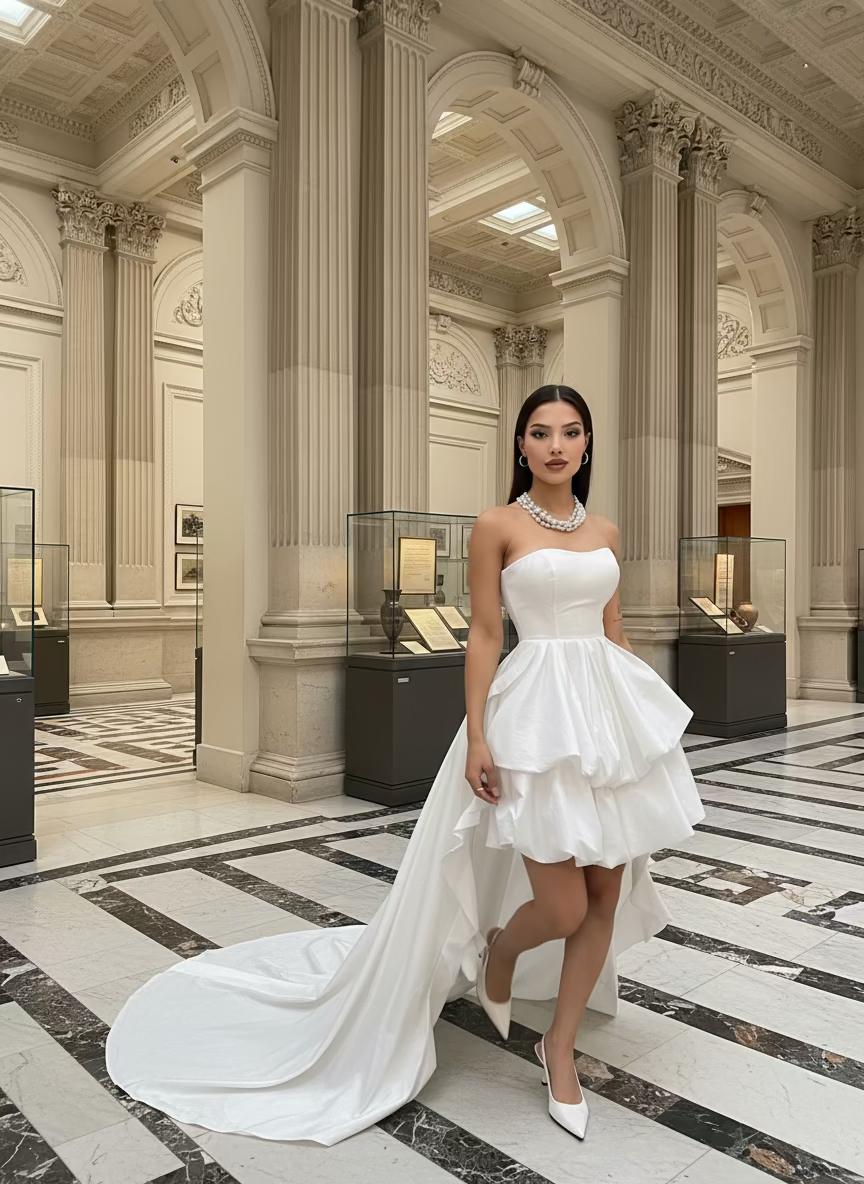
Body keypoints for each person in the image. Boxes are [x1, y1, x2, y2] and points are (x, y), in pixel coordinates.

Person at [106, 385, 704, 1145]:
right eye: (541, 432)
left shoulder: (609, 531)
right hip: (534, 720)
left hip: (606, 720)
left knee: (605, 900)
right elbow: (487, 633)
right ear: (520, 446)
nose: (557, 445)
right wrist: (480, 737)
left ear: (588, 445)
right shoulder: (498, 525)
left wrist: (640, 726)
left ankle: (559, 1049)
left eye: (571, 432)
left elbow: (614, 633)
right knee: (562, 907)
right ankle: (500, 951)